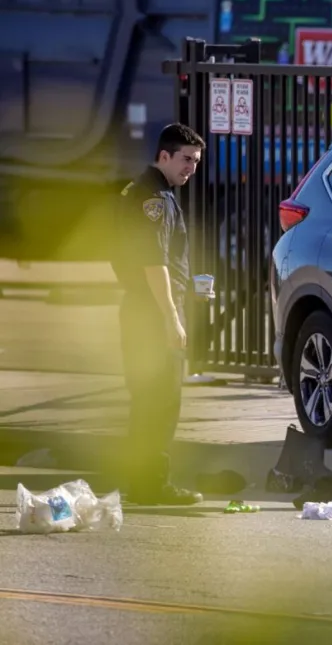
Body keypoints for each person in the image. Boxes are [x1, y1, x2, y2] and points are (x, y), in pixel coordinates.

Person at [110, 123, 206, 505]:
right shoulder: (155, 198)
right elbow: (154, 262)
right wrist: (171, 316)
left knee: (146, 399)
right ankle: (153, 485)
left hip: (138, 308)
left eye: (196, 161)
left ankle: (140, 483)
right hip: (152, 314)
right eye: (185, 159)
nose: (191, 168)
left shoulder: (139, 189)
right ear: (163, 155)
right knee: (161, 401)